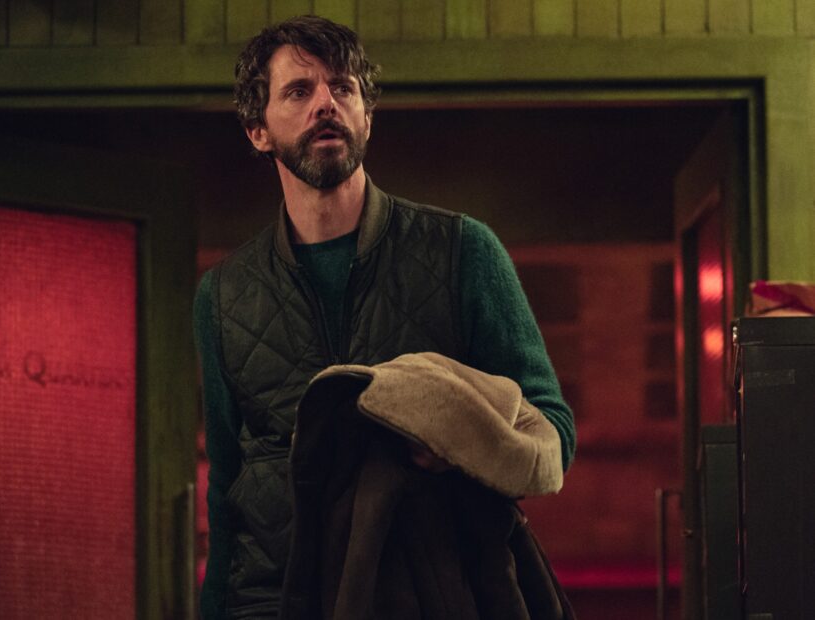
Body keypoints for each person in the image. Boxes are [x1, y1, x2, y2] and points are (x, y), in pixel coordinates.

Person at [193, 15, 575, 619]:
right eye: (299, 91)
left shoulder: (463, 251)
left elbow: (551, 426)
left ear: (366, 116)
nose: (326, 103)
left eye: (343, 88)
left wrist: (461, 442)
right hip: (274, 601)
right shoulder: (222, 295)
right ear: (257, 130)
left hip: (431, 595)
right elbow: (226, 482)